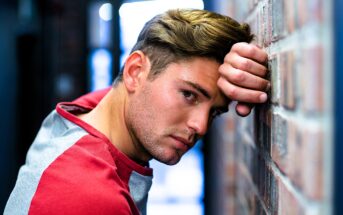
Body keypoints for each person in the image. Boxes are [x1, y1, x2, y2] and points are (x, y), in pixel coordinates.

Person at [5, 9, 269, 215]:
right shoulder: (88, 197)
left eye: (214, 112)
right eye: (189, 94)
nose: (200, 126)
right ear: (135, 72)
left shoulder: (87, 115)